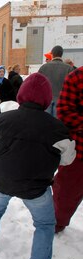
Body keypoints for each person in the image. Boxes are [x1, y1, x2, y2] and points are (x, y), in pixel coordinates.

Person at [0, 73, 76, 259]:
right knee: (45, 224)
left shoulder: (0, 121)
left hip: (1, 181)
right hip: (36, 187)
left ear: (21, 96)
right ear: (47, 99)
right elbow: (67, 159)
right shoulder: (57, 128)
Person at [53, 66, 83, 233]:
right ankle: (56, 223)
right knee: (66, 192)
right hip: (78, 150)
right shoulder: (77, 77)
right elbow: (64, 112)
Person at [39, 45, 74, 117]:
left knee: (46, 122)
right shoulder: (69, 68)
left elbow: (38, 84)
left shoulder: (44, 68)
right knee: (58, 125)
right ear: (61, 54)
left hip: (46, 101)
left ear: (52, 54)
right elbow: (72, 87)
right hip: (61, 101)